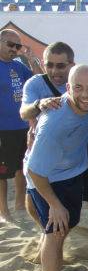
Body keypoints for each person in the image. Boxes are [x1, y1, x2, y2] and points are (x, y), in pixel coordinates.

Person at [19, 42, 88, 255]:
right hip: (47, 154)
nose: (54, 71)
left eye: (61, 66)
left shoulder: (82, 82)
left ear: (72, 65)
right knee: (34, 192)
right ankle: (48, 232)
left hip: (84, 152)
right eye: (49, 65)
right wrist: (39, 105)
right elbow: (23, 111)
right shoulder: (35, 84)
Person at [26, 64, 88, 271]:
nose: (86, 94)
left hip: (71, 172)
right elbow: (35, 171)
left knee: (66, 224)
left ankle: (45, 253)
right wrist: (55, 205)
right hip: (44, 178)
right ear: (68, 88)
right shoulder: (55, 124)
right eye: (78, 88)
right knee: (56, 231)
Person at [0, 29, 32, 223]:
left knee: (22, 168)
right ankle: (3, 212)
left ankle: (20, 206)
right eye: (10, 45)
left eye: (17, 46)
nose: (14, 49)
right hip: (3, 129)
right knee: (2, 172)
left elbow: (40, 79)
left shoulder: (19, 66)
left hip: (23, 126)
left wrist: (31, 59)